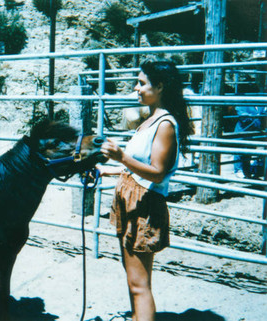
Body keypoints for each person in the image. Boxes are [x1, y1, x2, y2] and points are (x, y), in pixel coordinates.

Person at [96, 59, 192, 321]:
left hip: (145, 203)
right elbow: (142, 165)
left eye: (141, 83)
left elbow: (158, 172)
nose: (136, 89)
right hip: (130, 197)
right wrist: (110, 170)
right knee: (132, 280)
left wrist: (121, 158)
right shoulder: (150, 119)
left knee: (140, 284)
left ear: (159, 86)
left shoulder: (165, 125)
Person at [233, 104, 266, 178]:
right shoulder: (243, 104)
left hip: (253, 132)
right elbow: (244, 118)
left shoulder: (261, 105)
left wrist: (254, 116)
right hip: (242, 131)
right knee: (239, 151)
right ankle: (238, 170)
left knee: (249, 151)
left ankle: (247, 171)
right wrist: (257, 117)